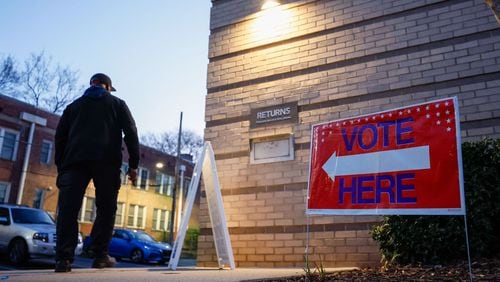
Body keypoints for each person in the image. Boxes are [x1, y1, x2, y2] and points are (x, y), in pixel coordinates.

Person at [54, 73, 140, 272]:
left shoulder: (72, 107)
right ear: (108, 87)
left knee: (68, 209)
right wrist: (133, 166)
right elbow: (131, 133)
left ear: (91, 85)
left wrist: (62, 167)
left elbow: (60, 138)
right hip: (107, 162)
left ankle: (63, 259)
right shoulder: (118, 104)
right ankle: (100, 256)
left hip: (74, 162)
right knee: (106, 209)